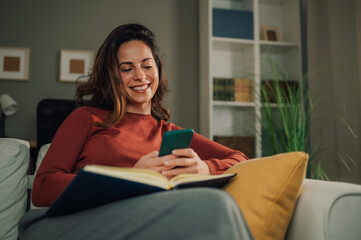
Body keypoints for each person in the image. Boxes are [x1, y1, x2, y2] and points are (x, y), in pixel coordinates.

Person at [18, 23, 252, 240]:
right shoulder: (87, 118)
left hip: (144, 219)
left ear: (157, 69)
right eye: (127, 69)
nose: (140, 75)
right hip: (70, 223)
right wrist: (130, 177)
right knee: (214, 205)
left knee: (214, 206)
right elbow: (43, 187)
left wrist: (206, 168)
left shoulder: (169, 133)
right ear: (112, 76)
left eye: (147, 65)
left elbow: (241, 159)